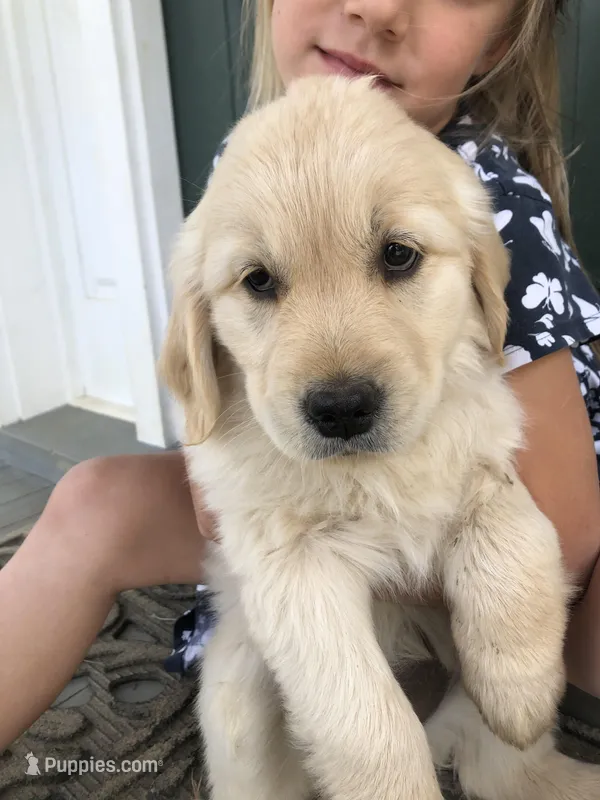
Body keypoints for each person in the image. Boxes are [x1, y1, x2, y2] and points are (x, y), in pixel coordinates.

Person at [1, 0, 600, 752]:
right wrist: (297, 572)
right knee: (90, 502)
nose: (376, 7)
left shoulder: (497, 201)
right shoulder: (244, 165)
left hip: (472, 534)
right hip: (296, 503)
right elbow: (215, 473)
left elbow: (569, 530)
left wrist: (334, 577)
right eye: (261, 280)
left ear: (499, 42)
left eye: (398, 257)